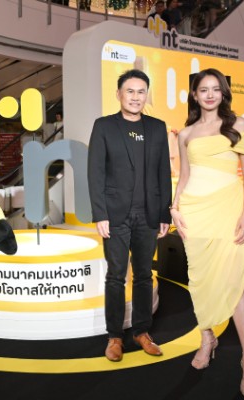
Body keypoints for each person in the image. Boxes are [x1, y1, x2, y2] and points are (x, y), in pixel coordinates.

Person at [170, 68, 244, 399]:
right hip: (194, 213)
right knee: (200, 279)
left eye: (215, 89)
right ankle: (207, 337)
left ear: (223, 93)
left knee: (236, 283)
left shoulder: (238, 125)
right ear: (194, 95)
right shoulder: (186, 133)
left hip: (228, 211)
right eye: (203, 89)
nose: (210, 94)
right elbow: (184, 176)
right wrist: (174, 207)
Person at [88, 69, 172, 362]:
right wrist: (100, 213)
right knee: (115, 276)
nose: (136, 97)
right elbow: (95, 172)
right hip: (115, 215)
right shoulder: (104, 126)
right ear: (119, 94)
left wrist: (164, 213)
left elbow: (163, 172)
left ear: (146, 95)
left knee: (144, 275)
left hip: (148, 215)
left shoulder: (157, 127)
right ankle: (114, 336)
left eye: (141, 92)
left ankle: (141, 331)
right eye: (130, 91)